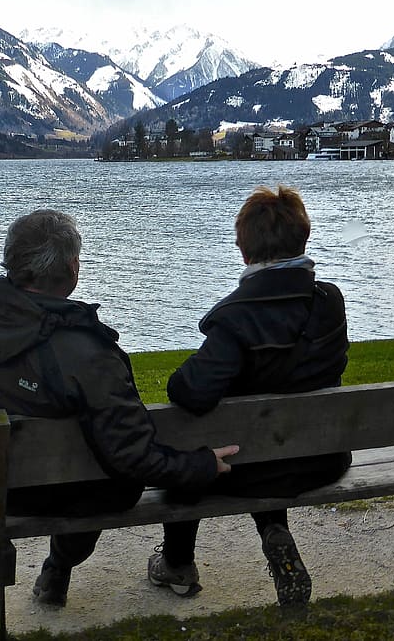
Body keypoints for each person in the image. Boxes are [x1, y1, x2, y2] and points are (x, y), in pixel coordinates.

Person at [0, 208, 239, 608]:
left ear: (13, 263)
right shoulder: (87, 354)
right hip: (76, 489)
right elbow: (132, 457)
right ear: (72, 269)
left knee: (84, 464)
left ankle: (57, 570)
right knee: (102, 475)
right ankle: (62, 564)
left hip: (2, 488)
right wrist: (201, 467)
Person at [147, 185, 351, 607]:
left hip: (249, 466)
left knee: (193, 453)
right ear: (303, 239)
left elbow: (189, 392)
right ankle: (274, 532)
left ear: (244, 250)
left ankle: (177, 564)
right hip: (323, 458)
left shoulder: (237, 317)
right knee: (265, 439)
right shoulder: (330, 301)